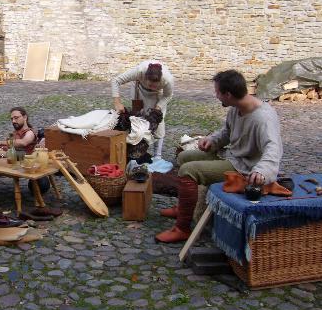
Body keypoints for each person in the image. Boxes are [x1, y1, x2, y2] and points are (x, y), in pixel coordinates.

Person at [155, 69, 283, 243]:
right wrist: (212, 140)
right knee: (184, 157)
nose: (216, 96)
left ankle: (182, 228)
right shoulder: (236, 108)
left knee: (187, 170)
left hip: (244, 167)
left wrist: (262, 170)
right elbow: (227, 133)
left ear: (228, 94)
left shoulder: (263, 118)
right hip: (231, 156)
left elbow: (273, 147)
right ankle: (184, 206)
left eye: (217, 92)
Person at [111, 60, 174, 159]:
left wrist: (157, 108)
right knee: (137, 119)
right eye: (150, 84)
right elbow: (116, 80)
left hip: (157, 95)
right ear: (144, 77)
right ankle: (137, 150)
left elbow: (168, 95)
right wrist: (117, 102)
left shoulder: (168, 80)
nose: (152, 87)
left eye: (155, 85)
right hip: (139, 89)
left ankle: (158, 155)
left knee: (158, 122)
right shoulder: (139, 71)